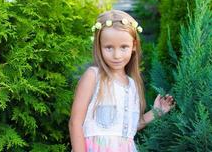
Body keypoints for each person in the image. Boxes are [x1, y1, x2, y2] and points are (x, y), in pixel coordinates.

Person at [69, 10, 175, 152]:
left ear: (134, 46)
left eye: (123, 47)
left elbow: (127, 127)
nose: (117, 55)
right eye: (109, 48)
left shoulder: (132, 85)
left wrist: (156, 112)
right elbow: (75, 123)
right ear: (99, 47)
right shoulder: (93, 76)